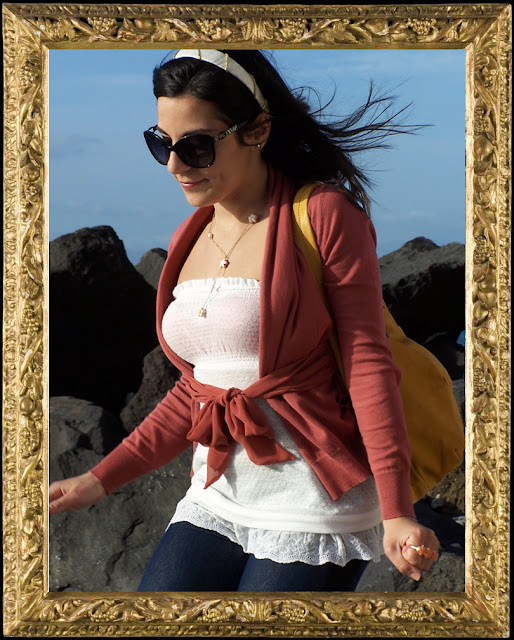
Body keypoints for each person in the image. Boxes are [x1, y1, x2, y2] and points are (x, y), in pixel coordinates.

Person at [49, 49, 440, 592]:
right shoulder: (190, 235)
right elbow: (198, 392)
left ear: (257, 130)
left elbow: (367, 366)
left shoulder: (324, 215)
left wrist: (397, 511)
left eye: (196, 146)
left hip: (315, 502)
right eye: (161, 143)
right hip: (216, 495)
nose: (175, 166)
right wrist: (100, 478)